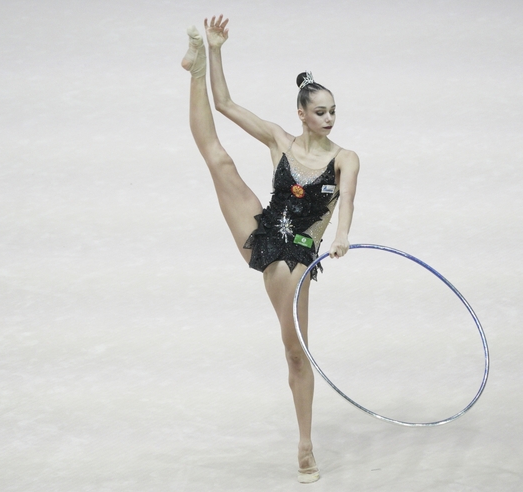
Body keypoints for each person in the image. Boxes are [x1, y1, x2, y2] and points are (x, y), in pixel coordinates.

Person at [181, 14, 359, 484]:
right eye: (320, 112)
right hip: (265, 234)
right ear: (302, 113)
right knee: (217, 157)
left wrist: (340, 236)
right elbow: (225, 104)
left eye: (333, 111)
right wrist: (216, 50)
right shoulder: (280, 139)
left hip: (301, 253)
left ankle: (305, 444)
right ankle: (194, 68)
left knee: (295, 352)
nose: (329, 118)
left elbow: (347, 206)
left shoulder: (345, 159)